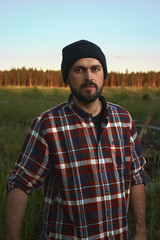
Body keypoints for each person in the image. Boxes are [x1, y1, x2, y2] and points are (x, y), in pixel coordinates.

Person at [6, 40, 147, 240]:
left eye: (95, 69)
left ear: (103, 73)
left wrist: (140, 230)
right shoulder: (47, 125)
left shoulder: (124, 119)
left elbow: (137, 177)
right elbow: (20, 183)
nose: (89, 77)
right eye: (79, 69)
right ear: (67, 77)